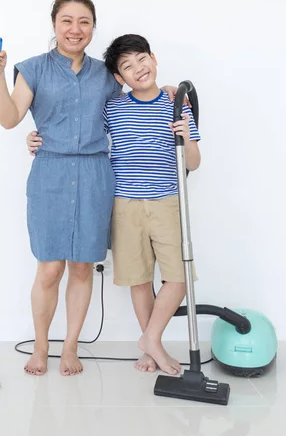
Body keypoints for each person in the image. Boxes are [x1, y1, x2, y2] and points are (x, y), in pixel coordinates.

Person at [0, 0, 179, 377]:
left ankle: (70, 347)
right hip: (50, 175)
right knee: (49, 269)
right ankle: (41, 347)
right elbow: (9, 119)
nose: (76, 29)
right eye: (67, 21)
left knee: (81, 269)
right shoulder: (33, 68)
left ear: (92, 27)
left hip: (94, 177)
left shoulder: (104, 76)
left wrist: (169, 91)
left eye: (84, 22)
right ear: (54, 24)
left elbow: (137, 94)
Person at [102, 34, 200, 375]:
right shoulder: (112, 107)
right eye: (127, 67)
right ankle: (151, 347)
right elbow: (83, 136)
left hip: (167, 202)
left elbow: (194, 162)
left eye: (141, 59)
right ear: (119, 79)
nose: (138, 69)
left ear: (154, 58)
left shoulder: (177, 103)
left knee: (179, 277)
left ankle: (150, 339)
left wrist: (187, 139)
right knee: (140, 279)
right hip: (125, 205)